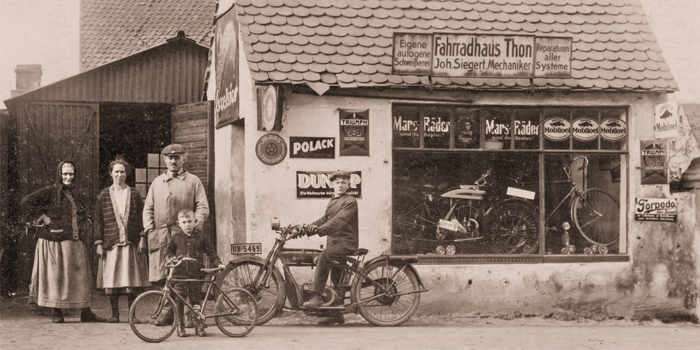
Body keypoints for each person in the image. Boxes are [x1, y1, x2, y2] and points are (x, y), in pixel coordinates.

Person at [20, 160, 106, 323]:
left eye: (71, 174)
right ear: (59, 174)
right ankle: (56, 312)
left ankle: (85, 312)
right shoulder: (49, 191)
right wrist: (44, 217)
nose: (68, 177)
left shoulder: (75, 193)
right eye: (65, 174)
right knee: (56, 277)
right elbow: (25, 202)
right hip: (54, 242)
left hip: (74, 241)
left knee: (81, 276)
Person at [142, 143, 209, 326]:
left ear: (183, 159)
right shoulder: (157, 182)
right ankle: (167, 313)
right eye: (170, 158)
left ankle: (189, 316)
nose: (173, 161)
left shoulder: (193, 181)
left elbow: (202, 206)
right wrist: (149, 229)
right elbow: (148, 208)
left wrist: (195, 226)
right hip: (162, 235)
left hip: (184, 236)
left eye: (177, 157)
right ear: (165, 160)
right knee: (165, 275)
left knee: (186, 275)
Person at [93, 157, 150, 323]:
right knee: (113, 280)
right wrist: (98, 243)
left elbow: (142, 218)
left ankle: (132, 315)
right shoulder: (103, 195)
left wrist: (142, 238)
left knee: (131, 280)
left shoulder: (134, 193)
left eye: (122, 172)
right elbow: (98, 221)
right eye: (116, 172)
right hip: (111, 244)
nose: (119, 175)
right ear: (111, 174)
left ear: (127, 174)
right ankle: (115, 314)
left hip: (131, 243)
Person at [302, 171, 359, 326]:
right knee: (337, 279)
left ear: (349, 185)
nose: (340, 185)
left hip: (346, 243)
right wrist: (306, 228)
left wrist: (319, 230)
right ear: (332, 184)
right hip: (335, 243)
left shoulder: (350, 201)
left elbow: (338, 221)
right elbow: (325, 219)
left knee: (324, 256)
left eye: (343, 182)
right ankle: (337, 315)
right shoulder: (333, 201)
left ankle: (316, 296)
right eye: (338, 182)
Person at [166, 209, 224, 337]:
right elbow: (169, 251)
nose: (187, 225)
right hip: (179, 276)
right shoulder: (176, 237)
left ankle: (198, 325)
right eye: (184, 222)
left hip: (195, 275)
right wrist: (172, 258)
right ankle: (180, 326)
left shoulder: (200, 236)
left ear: (195, 222)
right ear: (179, 223)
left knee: (195, 300)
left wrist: (218, 263)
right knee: (179, 301)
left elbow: (211, 252)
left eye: (190, 221)